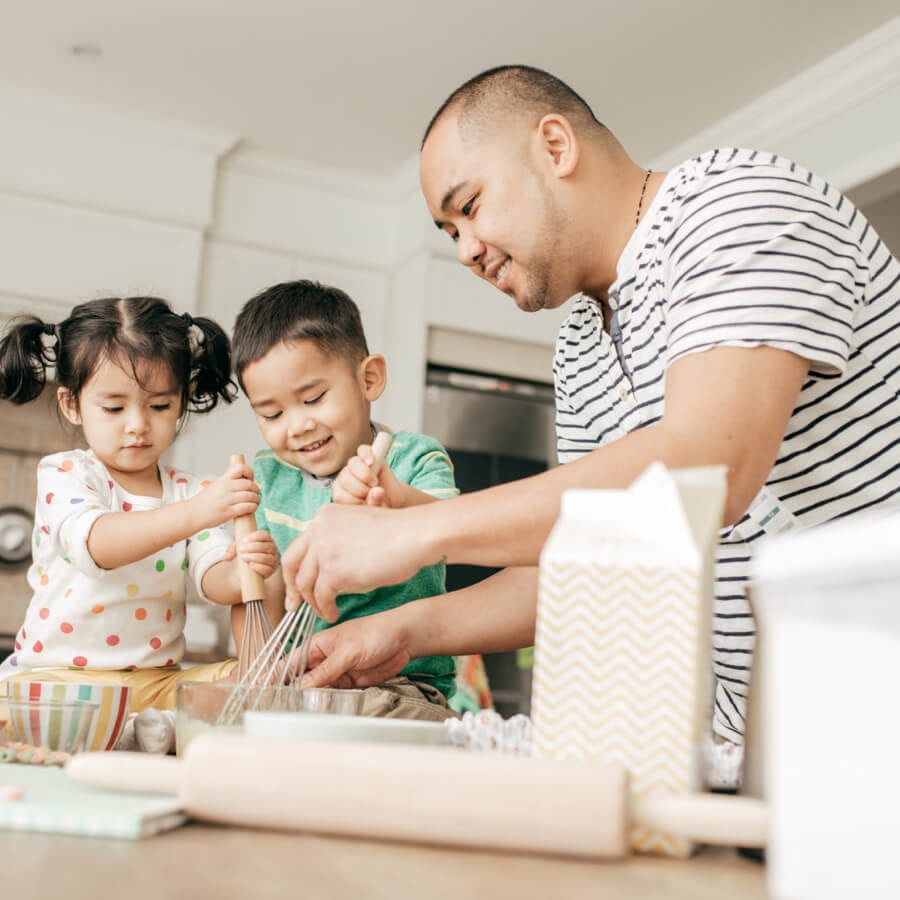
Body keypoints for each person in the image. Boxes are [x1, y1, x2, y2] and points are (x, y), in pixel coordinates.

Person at [281, 64, 900, 747]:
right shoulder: (579, 342)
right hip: (773, 732)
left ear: (555, 146)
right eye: (448, 230)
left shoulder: (737, 202)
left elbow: (708, 466)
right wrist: (404, 629)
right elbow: (594, 553)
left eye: (471, 206)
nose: (464, 251)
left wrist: (418, 533)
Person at [0, 296, 280, 731]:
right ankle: (145, 731)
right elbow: (100, 545)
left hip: (154, 682)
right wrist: (200, 512)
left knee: (247, 684)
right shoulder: (66, 473)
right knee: (25, 711)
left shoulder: (191, 491)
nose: (137, 425)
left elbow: (215, 582)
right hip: (59, 679)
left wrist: (246, 566)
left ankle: (133, 730)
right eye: (114, 408)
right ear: (72, 405)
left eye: (159, 406)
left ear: (183, 403)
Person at [230, 279, 459, 720]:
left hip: (398, 686)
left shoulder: (413, 458)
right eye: (272, 414)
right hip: (300, 687)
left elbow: (453, 527)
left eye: (313, 399)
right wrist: (258, 688)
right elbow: (255, 601)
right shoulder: (267, 478)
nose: (297, 426)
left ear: (369, 379)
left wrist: (394, 502)